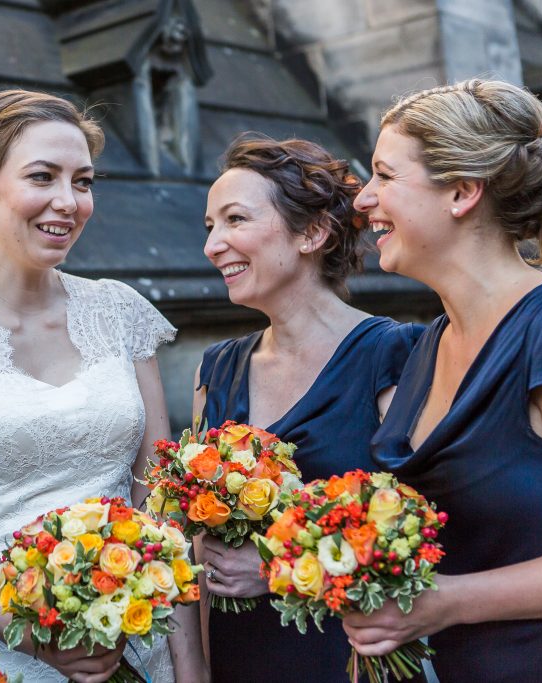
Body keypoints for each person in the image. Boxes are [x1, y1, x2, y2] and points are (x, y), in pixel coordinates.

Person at [0, 89, 207, 683]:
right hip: (6, 646)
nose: (68, 202)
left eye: (83, 181)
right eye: (42, 177)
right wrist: (35, 637)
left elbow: (163, 510)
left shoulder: (121, 312)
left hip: (139, 636)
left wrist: (191, 664)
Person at [344, 79, 542, 681]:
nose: (362, 199)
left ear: (461, 193)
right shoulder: (428, 345)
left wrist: (447, 602)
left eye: (384, 176)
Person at [194, 135, 423, 681]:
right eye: (210, 227)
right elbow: (198, 547)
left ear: (313, 233)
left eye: (235, 220)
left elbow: (428, 532)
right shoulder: (216, 368)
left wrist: (280, 566)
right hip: (239, 658)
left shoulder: (394, 354)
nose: (213, 245)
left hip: (346, 658)